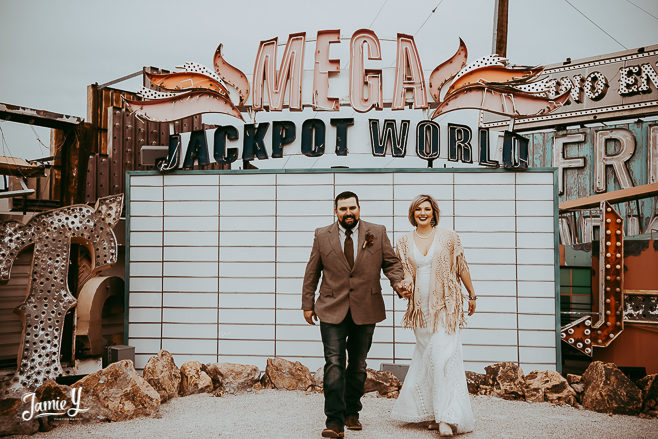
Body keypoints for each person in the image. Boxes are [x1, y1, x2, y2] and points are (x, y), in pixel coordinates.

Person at [302, 191, 405, 438]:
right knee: (334, 363)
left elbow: (391, 263)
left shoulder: (377, 232)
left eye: (352, 208)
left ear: (359, 208)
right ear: (335, 211)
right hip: (331, 308)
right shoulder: (321, 235)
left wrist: (399, 283)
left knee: (358, 365)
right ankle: (334, 421)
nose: (348, 213)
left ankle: (352, 412)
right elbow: (312, 270)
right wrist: (307, 303)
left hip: (365, 308)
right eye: (342, 209)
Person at [391, 194, 477, 437]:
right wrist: (404, 286)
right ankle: (432, 412)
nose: (423, 213)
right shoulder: (404, 242)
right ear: (413, 213)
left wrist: (472, 295)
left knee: (444, 357)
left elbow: (461, 266)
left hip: (446, 306)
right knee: (427, 357)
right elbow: (405, 274)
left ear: (434, 212)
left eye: (427, 209)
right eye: (418, 209)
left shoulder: (449, 237)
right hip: (420, 309)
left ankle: (447, 418)